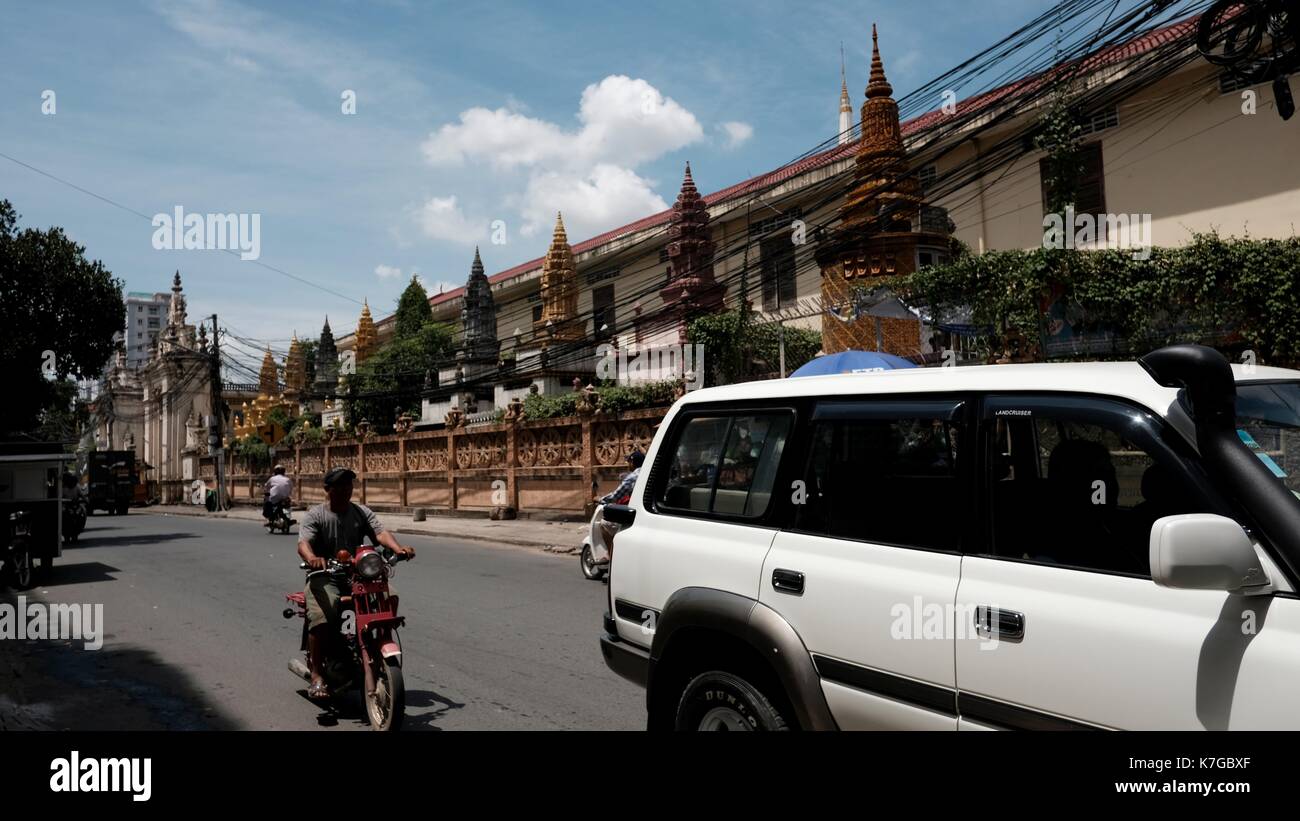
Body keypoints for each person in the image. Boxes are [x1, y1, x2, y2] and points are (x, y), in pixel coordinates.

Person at [296, 467, 415, 700]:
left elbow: (379, 533)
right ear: (327, 490)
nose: (345, 490)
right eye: (339, 486)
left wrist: (397, 548)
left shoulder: (360, 512)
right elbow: (304, 543)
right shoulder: (315, 515)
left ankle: (375, 643)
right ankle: (317, 675)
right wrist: (312, 559)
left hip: (358, 575)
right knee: (323, 616)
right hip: (324, 576)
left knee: (391, 595)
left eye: (348, 485)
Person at [595, 450, 644, 556]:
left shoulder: (631, 478)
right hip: (644, 513)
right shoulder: (647, 473)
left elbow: (615, 496)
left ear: (632, 463)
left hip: (633, 515)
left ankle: (610, 555)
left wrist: (601, 499)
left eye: (629, 462)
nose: (628, 465)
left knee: (604, 524)